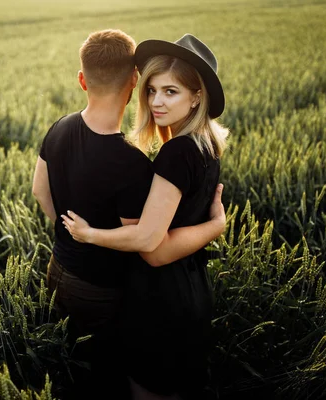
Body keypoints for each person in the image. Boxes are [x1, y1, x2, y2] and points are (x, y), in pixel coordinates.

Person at [32, 30, 226, 399]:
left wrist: (74, 234)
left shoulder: (59, 127)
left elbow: (40, 191)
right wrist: (216, 225)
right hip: (105, 287)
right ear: (136, 81)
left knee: (74, 365)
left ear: (81, 80)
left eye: (170, 91)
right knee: (107, 374)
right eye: (153, 89)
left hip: (59, 269)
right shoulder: (147, 160)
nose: (156, 101)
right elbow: (148, 245)